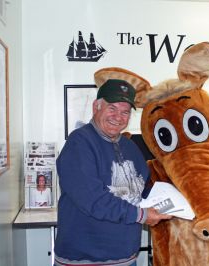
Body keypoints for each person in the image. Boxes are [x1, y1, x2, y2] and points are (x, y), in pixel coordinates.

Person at [54, 79, 171, 266]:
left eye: (125, 112)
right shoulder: (79, 143)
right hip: (85, 260)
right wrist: (141, 215)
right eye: (112, 108)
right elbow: (94, 200)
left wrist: (170, 202)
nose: (118, 117)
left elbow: (142, 189)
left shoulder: (130, 147)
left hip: (126, 258)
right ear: (96, 106)